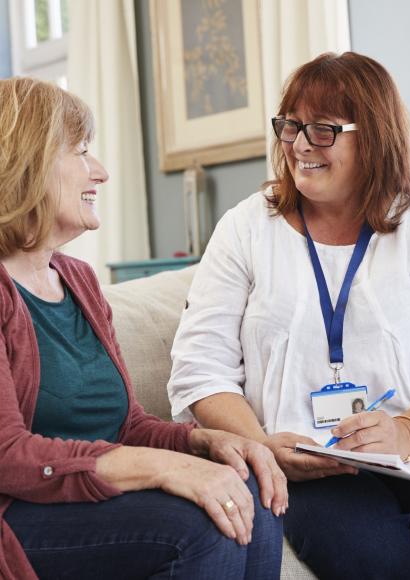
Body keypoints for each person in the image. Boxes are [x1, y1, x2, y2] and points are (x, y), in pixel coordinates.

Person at [167, 52, 410, 580]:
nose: (298, 145)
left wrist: (407, 432)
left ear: (375, 137)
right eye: (291, 126)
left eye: (322, 130)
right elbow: (200, 370)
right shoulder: (245, 229)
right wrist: (263, 447)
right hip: (306, 468)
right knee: (378, 561)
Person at [0, 77, 287, 580]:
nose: (101, 172)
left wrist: (203, 444)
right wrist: (165, 468)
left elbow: (126, 425)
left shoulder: (78, 281)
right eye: (82, 152)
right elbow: (10, 457)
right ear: (27, 163)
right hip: (17, 513)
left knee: (251, 500)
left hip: (85, 504)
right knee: (199, 530)